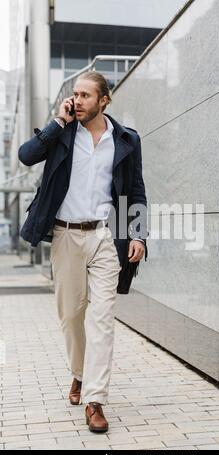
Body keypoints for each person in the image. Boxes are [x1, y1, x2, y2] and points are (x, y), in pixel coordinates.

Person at [18, 71, 148, 433]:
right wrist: (57, 121)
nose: (77, 100)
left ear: (104, 100)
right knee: (72, 317)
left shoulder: (125, 140)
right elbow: (26, 157)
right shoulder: (62, 133)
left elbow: (135, 192)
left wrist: (138, 235)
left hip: (105, 237)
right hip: (65, 236)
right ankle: (79, 372)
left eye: (85, 95)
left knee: (102, 319)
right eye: (75, 94)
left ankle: (95, 399)